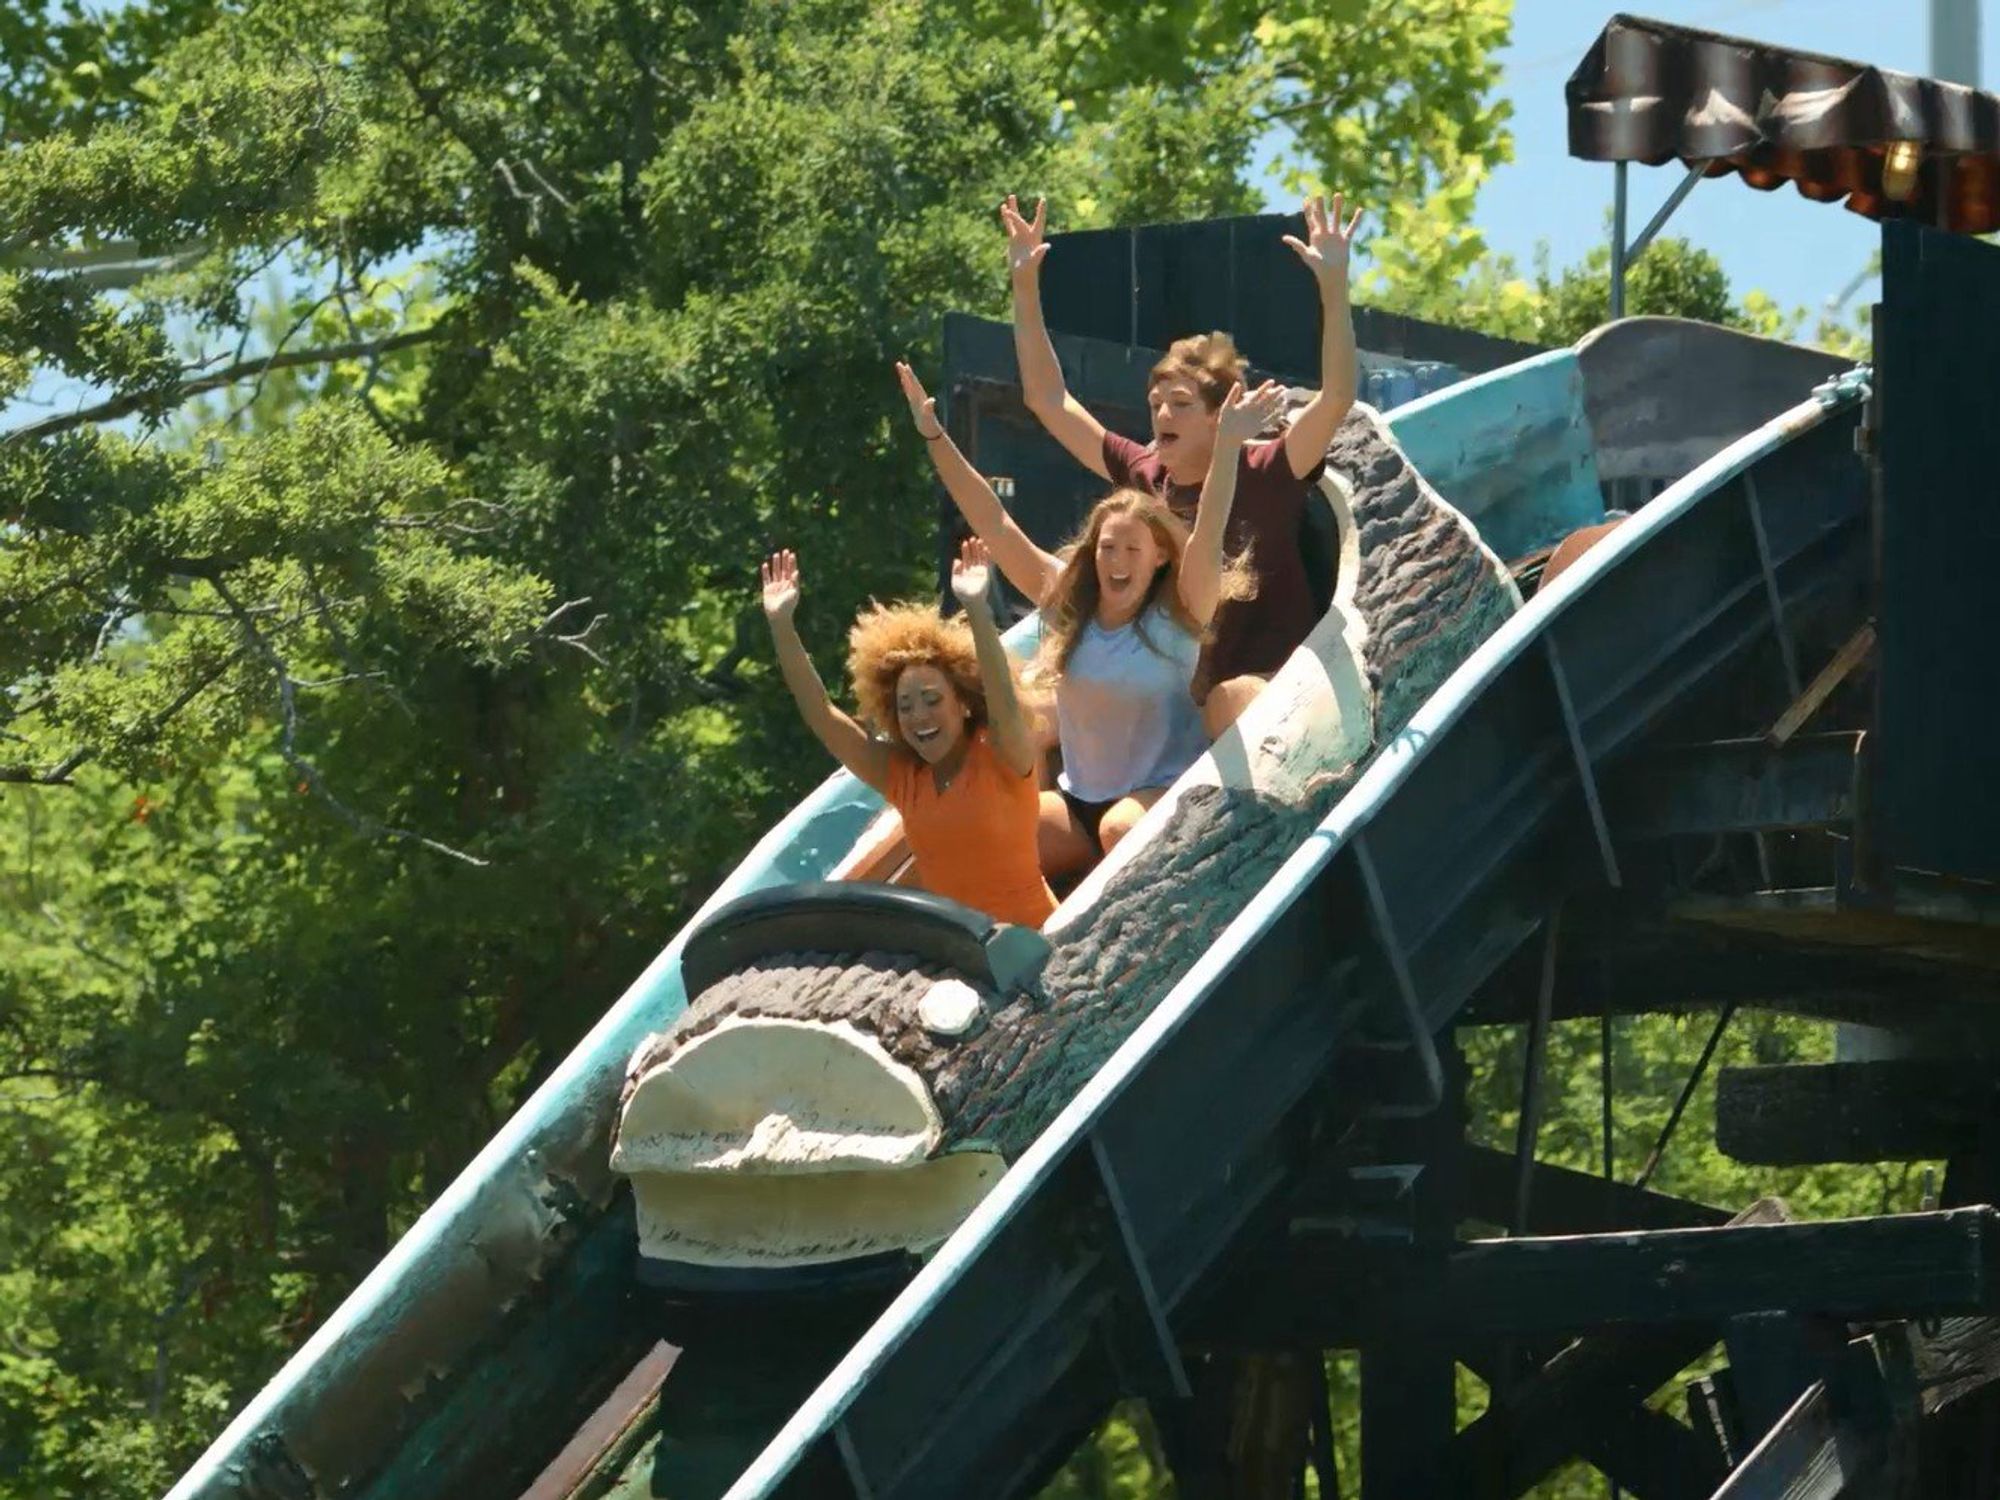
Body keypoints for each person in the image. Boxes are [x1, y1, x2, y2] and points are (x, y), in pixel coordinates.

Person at [895, 359, 1283, 878]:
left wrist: (1228, 449)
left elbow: (1209, 529)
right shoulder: (1070, 604)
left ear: (1161, 556)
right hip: (1079, 798)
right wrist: (935, 434)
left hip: (1162, 792)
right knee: (989, 833)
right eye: (1107, 547)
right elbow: (994, 520)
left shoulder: (1181, 612)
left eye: (1132, 548)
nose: (1117, 561)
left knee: (1118, 830)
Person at [999, 191, 1364, 737]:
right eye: (1155, 404)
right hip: (1173, 697)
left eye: (1181, 404)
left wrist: (1333, 288)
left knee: (1225, 702)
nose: (1162, 413)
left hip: (1272, 685)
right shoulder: (1146, 476)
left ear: (1222, 416)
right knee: (1031, 702)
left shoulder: (1269, 469)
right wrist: (1024, 288)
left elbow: (1335, 397)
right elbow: (1048, 400)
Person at [759, 539, 1057, 929]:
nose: (919, 716)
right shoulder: (903, 778)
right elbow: (822, 714)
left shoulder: (1004, 754)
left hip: (1039, 936)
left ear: (963, 702)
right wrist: (781, 626)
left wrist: (976, 610)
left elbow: (1001, 694)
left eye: (932, 699)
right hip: (965, 952)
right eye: (905, 706)